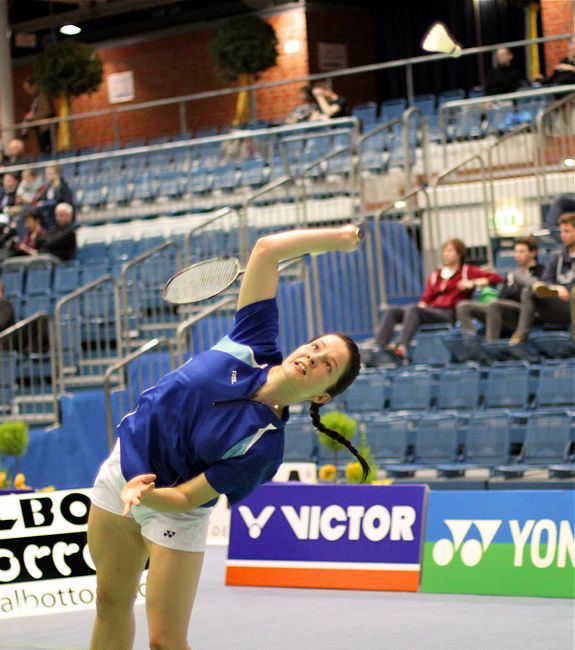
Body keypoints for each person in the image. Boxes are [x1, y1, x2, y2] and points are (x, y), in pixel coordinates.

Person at [87, 224, 368, 650]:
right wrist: (339, 239)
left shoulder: (264, 448)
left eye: (327, 364)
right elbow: (267, 250)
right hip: (124, 467)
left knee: (165, 642)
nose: (313, 357)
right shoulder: (252, 339)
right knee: (110, 603)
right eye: (315, 347)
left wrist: (146, 496)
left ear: (323, 395)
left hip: (173, 512)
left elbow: (184, 500)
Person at [370, 238, 502, 363]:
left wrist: (472, 283)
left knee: (414, 310)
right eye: (445, 250)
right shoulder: (436, 274)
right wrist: (423, 305)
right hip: (431, 310)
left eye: (450, 251)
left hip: (448, 313)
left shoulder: (467, 271)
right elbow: (426, 297)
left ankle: (401, 346)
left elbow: (496, 278)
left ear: (459, 254)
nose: (446, 254)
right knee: (392, 311)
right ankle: (378, 348)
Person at [456, 236, 544, 340]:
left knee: (494, 304)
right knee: (463, 306)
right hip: (502, 310)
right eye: (516, 252)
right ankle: (471, 346)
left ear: (533, 253)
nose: (517, 256)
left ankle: (491, 345)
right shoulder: (511, 274)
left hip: (524, 314)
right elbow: (502, 296)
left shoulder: (541, 272)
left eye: (521, 252)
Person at [510, 212, 575, 344]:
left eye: (567, 231)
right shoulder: (557, 257)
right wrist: (556, 288)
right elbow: (546, 281)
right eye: (562, 231)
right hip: (558, 303)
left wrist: (568, 291)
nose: (562, 235)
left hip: (573, 302)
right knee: (529, 290)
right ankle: (520, 337)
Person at [22, 78, 54, 154]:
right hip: (39, 129)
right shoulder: (36, 99)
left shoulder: (42, 97)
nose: (28, 92)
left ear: (34, 86)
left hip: (45, 128)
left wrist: (32, 117)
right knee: (42, 150)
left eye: (28, 89)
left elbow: (47, 111)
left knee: (46, 151)